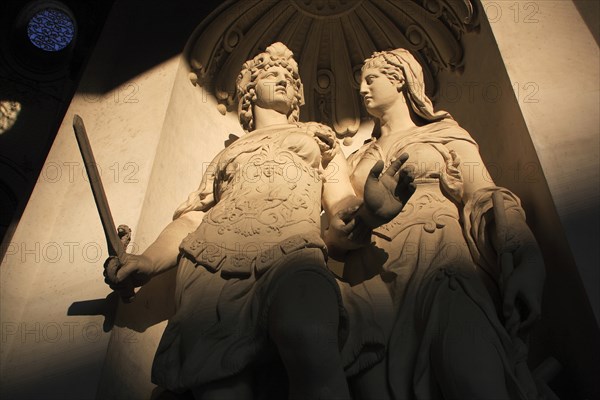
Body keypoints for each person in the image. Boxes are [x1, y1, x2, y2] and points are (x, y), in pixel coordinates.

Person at [103, 42, 412, 400]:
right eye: (271, 74)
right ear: (249, 91)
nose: (283, 80)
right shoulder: (227, 154)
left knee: (312, 342)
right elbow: (192, 220)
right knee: (221, 386)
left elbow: (340, 201)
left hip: (294, 251)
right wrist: (148, 261)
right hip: (211, 261)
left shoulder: (319, 137)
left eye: (289, 78)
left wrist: (367, 214)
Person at [340, 49, 546, 399]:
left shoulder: (445, 134)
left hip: (441, 257)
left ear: (399, 79)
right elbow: (338, 233)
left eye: (369, 78)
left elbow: (484, 196)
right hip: (371, 276)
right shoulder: (355, 158)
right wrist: (366, 217)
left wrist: (526, 256)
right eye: (360, 81)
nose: (361, 89)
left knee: (473, 376)